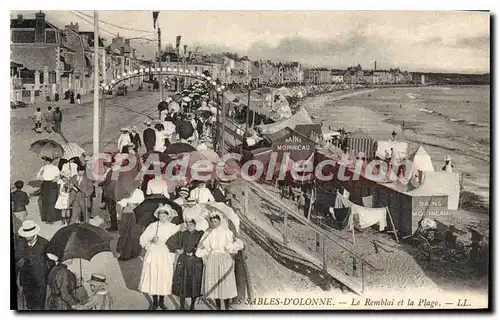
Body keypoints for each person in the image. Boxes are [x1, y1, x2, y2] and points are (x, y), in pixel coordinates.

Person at [196, 213, 244, 310]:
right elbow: (205, 246)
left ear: (219, 221)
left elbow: (238, 243)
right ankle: (218, 307)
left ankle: (226, 307)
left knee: (224, 282)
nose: (214, 224)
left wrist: (229, 247)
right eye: (212, 222)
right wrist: (201, 248)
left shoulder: (226, 232)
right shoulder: (208, 233)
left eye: (216, 221)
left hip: (224, 258)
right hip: (213, 259)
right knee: (215, 282)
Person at [139, 204, 180, 310]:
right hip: (154, 252)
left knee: (163, 276)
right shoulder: (153, 226)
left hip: (165, 253)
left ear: (168, 216)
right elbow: (143, 239)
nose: (162, 217)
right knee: (153, 275)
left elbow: (177, 240)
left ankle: (162, 301)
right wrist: (152, 240)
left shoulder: (173, 227)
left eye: (164, 215)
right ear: (158, 216)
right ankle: (155, 301)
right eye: (160, 215)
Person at [15, 220, 50, 310]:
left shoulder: (44, 243)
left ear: (34, 233)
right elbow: (17, 256)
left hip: (40, 279)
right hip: (26, 279)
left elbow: (50, 262)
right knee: (29, 303)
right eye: (25, 235)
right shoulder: (21, 243)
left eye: (28, 235)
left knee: (39, 305)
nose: (26, 237)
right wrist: (19, 261)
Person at [172, 219, 204, 310]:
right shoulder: (182, 234)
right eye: (188, 224)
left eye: (191, 224)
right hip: (184, 260)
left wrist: (196, 250)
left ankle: (192, 305)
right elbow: (172, 242)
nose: (189, 226)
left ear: (195, 225)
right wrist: (178, 249)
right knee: (183, 283)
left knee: (194, 283)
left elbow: (205, 245)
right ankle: (182, 306)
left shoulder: (200, 234)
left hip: (195, 261)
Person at [115, 189, 145, 260]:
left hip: (137, 212)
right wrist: (127, 202)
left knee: (135, 232)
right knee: (124, 231)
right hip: (127, 211)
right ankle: (123, 252)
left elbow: (142, 202)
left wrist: (135, 204)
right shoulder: (124, 191)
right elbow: (120, 202)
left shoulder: (139, 192)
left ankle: (134, 251)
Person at [36, 157, 61, 224]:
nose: (45, 162)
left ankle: (47, 218)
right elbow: (58, 176)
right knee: (52, 201)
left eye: (45, 160)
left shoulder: (43, 168)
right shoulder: (54, 168)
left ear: (47, 161)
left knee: (46, 201)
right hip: (52, 184)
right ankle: (51, 218)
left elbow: (38, 177)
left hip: (46, 184)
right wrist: (55, 179)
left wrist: (42, 174)